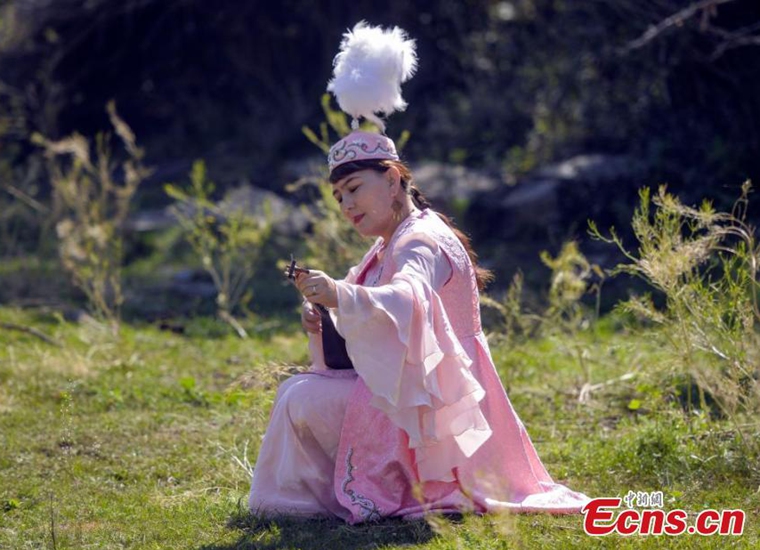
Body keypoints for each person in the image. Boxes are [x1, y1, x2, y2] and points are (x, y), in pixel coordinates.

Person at [248, 22, 589, 523]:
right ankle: (309, 500)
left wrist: (341, 295)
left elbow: (407, 299)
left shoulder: (421, 240)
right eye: (338, 197)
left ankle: (314, 500)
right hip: (426, 387)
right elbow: (375, 314)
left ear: (392, 180)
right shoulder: (394, 240)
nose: (346, 205)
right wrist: (325, 315)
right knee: (299, 391)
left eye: (355, 189)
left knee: (302, 398)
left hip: (439, 402)